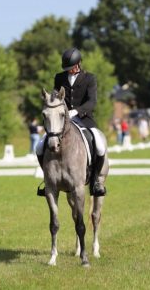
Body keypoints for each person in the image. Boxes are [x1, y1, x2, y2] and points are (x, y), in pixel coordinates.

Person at [36, 47, 106, 196]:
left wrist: (77, 111)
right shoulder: (59, 77)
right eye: (67, 68)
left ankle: (96, 181)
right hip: (62, 121)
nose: (69, 71)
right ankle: (47, 179)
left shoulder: (90, 78)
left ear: (79, 63)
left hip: (84, 119)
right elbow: (55, 97)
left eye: (72, 67)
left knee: (99, 145)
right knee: (40, 146)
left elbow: (92, 101)